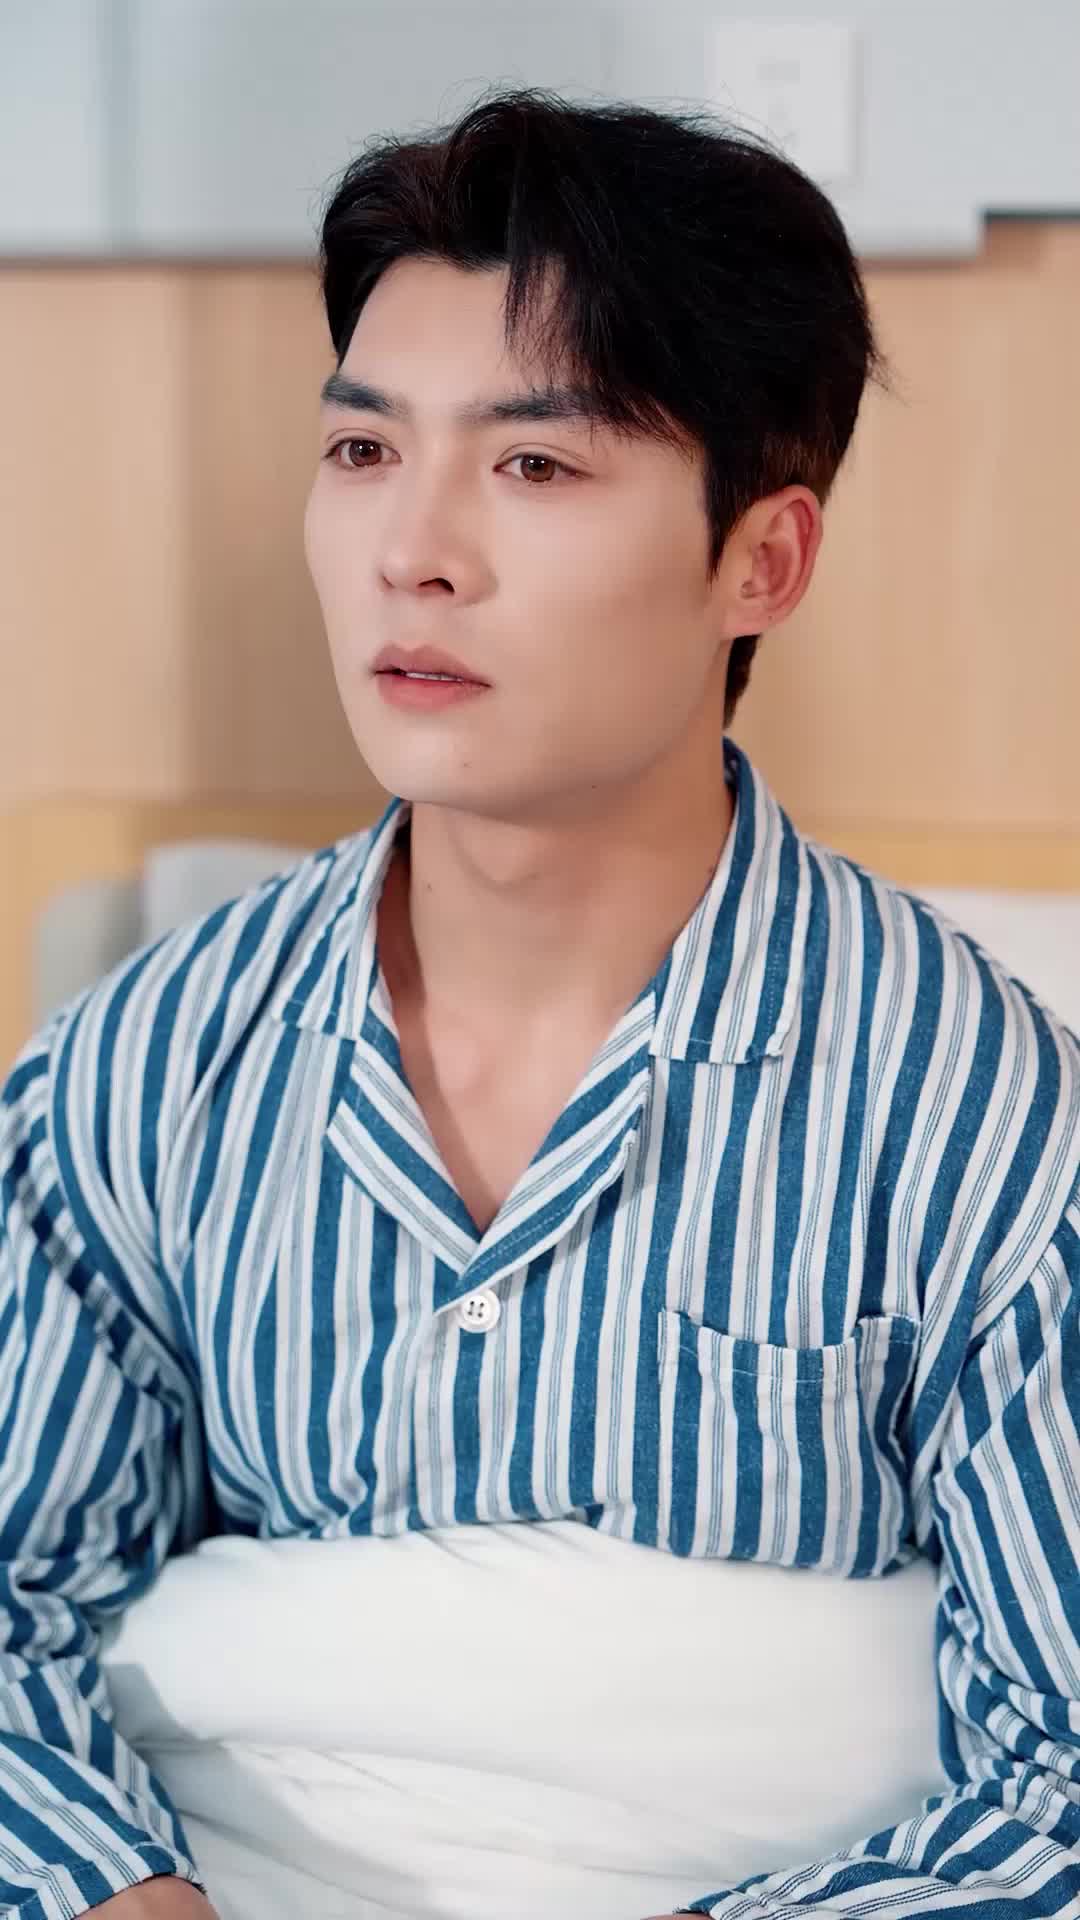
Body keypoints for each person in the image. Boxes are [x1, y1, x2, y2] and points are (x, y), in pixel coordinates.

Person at [1, 81, 1077, 1920]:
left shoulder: (982, 1121)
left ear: (763, 560)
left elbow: (1058, 1784)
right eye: (363, 449)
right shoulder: (148, 1068)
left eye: (535, 467)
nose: (413, 552)